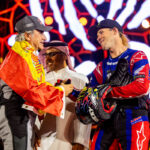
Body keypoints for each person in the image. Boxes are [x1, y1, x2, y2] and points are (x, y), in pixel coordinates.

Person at [0, 16, 73, 150]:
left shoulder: (26, 53)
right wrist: (60, 91)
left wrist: (57, 88)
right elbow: (31, 90)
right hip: (15, 115)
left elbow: (34, 86)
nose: (44, 37)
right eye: (40, 32)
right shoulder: (22, 55)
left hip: (20, 115)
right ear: (28, 35)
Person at [76, 19, 150, 150]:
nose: (98, 37)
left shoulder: (137, 56)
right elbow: (90, 94)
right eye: (97, 35)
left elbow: (142, 87)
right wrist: (71, 92)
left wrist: (107, 92)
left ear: (115, 31)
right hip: (107, 122)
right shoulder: (100, 67)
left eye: (101, 32)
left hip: (134, 118)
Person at [34, 40, 91, 150]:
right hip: (43, 139)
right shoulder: (41, 81)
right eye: (46, 54)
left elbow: (85, 110)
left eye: (52, 54)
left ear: (64, 55)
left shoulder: (80, 79)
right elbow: (33, 109)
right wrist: (34, 133)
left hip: (69, 139)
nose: (48, 58)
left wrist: (80, 140)